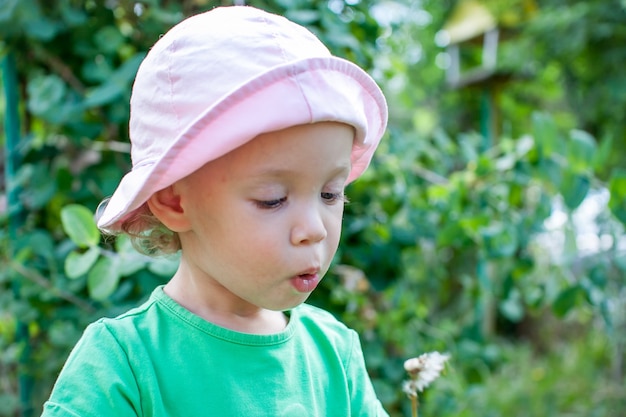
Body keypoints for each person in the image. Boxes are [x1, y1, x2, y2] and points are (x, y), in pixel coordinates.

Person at [42, 5, 388, 416]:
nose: (314, 229)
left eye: (331, 194)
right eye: (273, 198)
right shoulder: (123, 365)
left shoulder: (335, 355)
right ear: (174, 201)